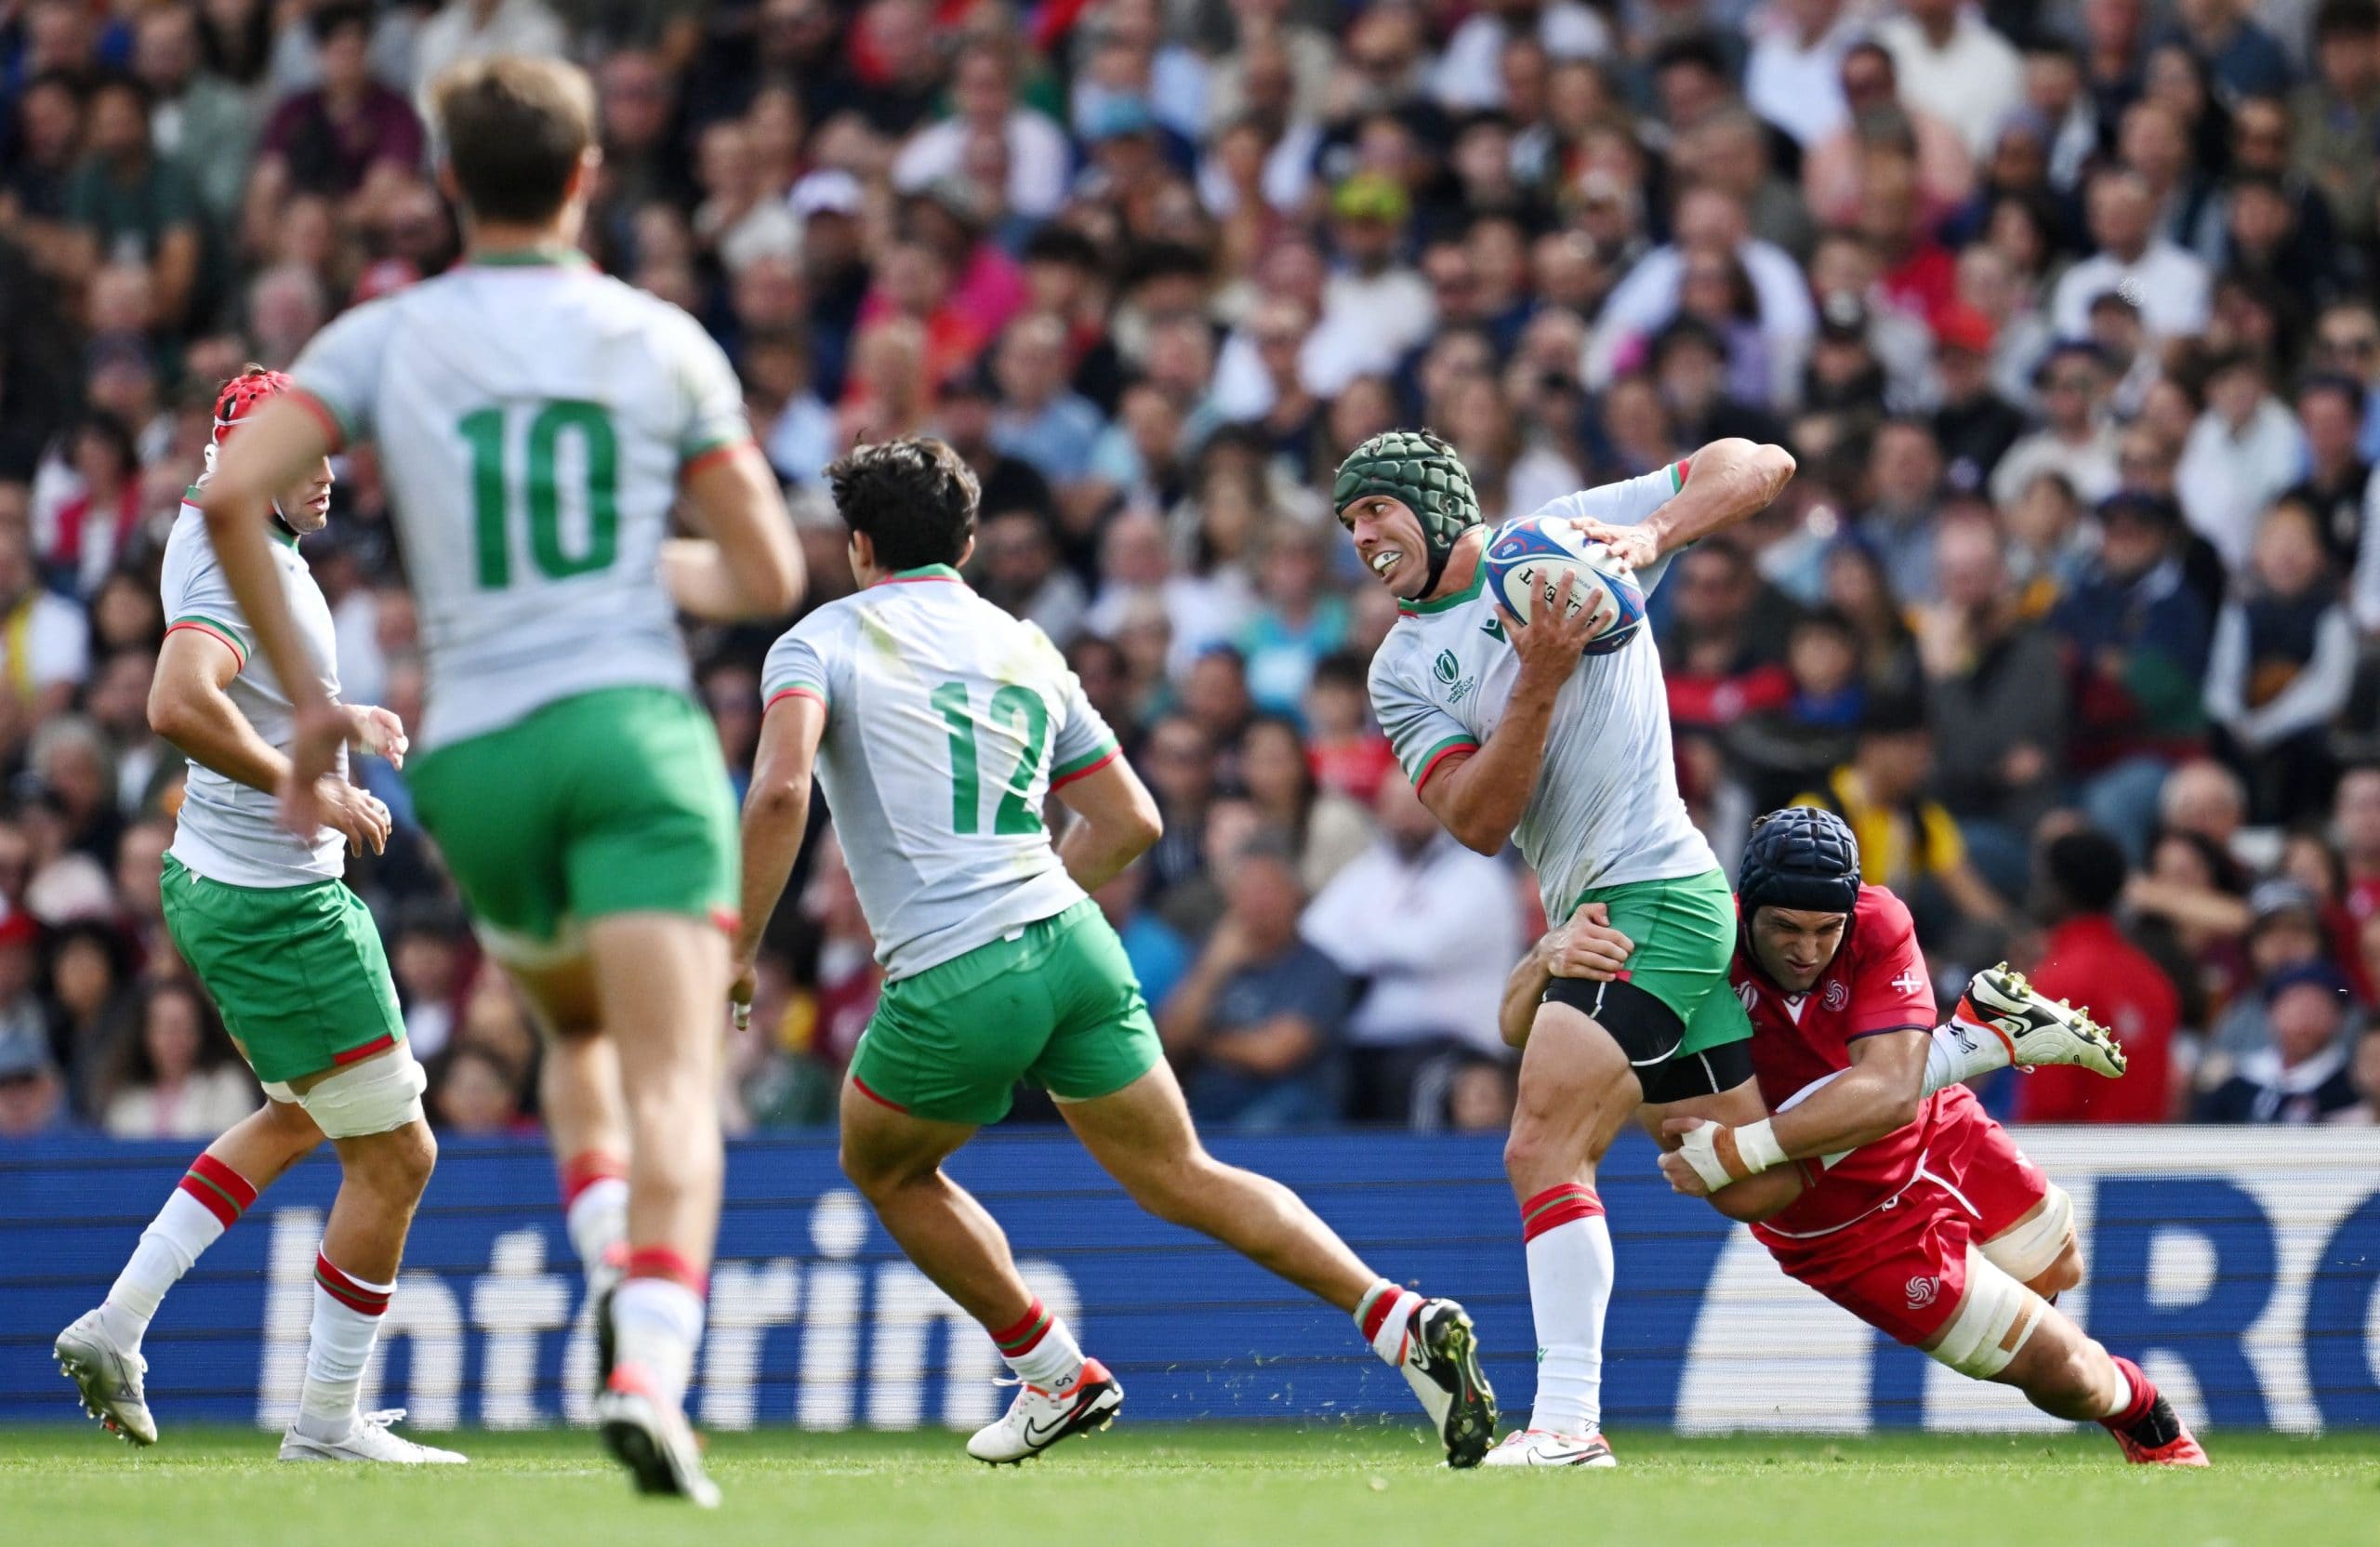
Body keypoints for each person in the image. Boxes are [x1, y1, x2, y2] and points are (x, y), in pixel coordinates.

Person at [194, 57, 804, 1505]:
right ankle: (650, 1357)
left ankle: (606, 1249)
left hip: (477, 756)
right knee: (673, 1066)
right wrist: (628, 569)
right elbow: (769, 571)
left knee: (576, 1037)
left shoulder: (380, 335)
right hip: (632, 729)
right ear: (590, 176)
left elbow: (227, 496)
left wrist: (316, 712)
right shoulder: (658, 337)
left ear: (449, 184)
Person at [734, 437, 1497, 1469]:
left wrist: (739, 945)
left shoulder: (816, 640)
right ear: (965, 541)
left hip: (957, 963)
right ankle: (1394, 1314)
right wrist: (1039, 904)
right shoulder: (1026, 643)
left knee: (882, 1162)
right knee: (1182, 1169)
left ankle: (1052, 1370)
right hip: (1075, 940)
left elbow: (781, 791)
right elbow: (1130, 820)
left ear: (858, 544)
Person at [1345, 428, 1794, 1466]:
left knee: (1540, 1144)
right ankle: (1953, 1062)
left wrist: (1650, 533)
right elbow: (1474, 819)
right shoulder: (1399, 667)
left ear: (1435, 497)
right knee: (1739, 1175)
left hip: (1653, 891)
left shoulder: (1566, 535)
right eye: (1349, 522)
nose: (1362, 534)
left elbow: (1762, 462)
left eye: (1376, 508)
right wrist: (1536, 678)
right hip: (1593, 913)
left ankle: (1565, 1423)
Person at [55, 367, 462, 1467]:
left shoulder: (217, 521)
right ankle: (325, 1423)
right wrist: (311, 782)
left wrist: (334, 719)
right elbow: (178, 702)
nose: (326, 480)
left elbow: (239, 687)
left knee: (297, 1115)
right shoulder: (245, 571)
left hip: (226, 880)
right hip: (281, 903)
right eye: (303, 462)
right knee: (400, 1156)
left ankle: (116, 1322)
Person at [1614, 808, 2203, 1465]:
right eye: (1783, 927)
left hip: (1935, 1131)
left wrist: (1736, 1150)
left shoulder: (1878, 921)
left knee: (2059, 1270)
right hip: (1850, 1231)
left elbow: (1893, 1094)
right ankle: (2147, 1415)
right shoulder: (1699, 953)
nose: (1806, 951)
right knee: (2066, 1374)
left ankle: (1963, 1047)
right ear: (1745, 908)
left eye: (1825, 930)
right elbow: (1753, 1190)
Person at [2021, 828, 2183, 1124]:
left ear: (2059, 889)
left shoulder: (2055, 982)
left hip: (2075, 1163)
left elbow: (2048, 1108)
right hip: (2142, 1163)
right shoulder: (2152, 978)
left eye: (2041, 880)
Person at [2194, 961, 2363, 1122]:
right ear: (2271, 1013)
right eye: (2295, 1007)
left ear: (2339, 1018)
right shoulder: (2236, 1081)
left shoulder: (2352, 1088)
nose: (2305, 1020)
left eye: (2318, 1008)